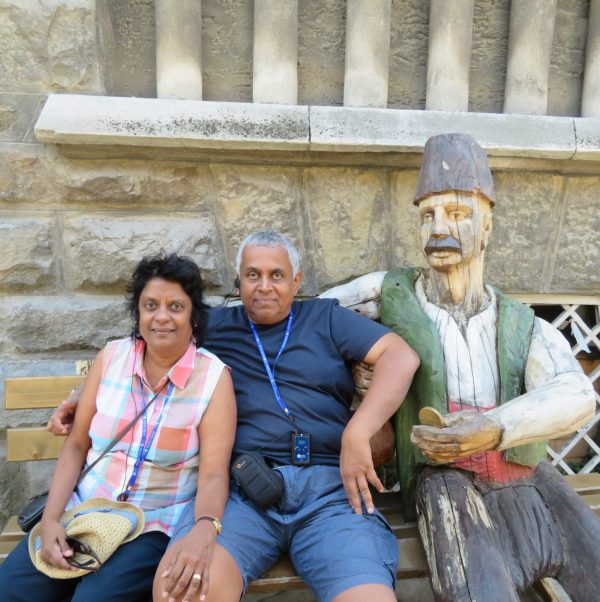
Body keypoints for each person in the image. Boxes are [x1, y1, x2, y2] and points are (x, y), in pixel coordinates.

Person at [48, 230, 420, 602]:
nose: (264, 286)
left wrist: (358, 432)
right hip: (241, 494)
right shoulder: (212, 328)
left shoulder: (325, 318)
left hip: (331, 493)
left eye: (276, 275)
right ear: (238, 280)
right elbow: (148, 351)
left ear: (296, 280)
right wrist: (81, 396)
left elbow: (400, 357)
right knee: (181, 591)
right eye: (252, 275)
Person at [322, 133, 599, 601]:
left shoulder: (518, 321)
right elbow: (315, 323)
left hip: (524, 470)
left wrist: (494, 427)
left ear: (487, 227)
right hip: (440, 476)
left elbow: (576, 394)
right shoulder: (389, 293)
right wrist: (353, 364)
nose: (438, 229)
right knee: (477, 584)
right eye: (427, 215)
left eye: (457, 214)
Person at [1, 253, 236, 602]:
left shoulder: (212, 379)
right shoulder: (112, 358)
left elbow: (214, 475)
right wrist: (50, 520)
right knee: (9, 590)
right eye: (150, 304)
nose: (161, 317)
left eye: (175, 306)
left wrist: (205, 527)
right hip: (85, 510)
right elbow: (77, 445)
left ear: (194, 317)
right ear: (138, 312)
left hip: (155, 522)